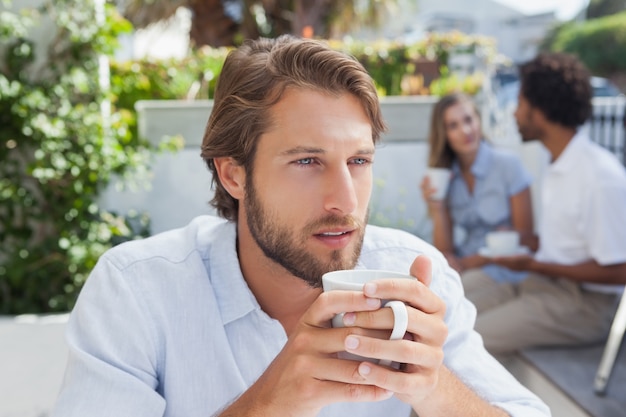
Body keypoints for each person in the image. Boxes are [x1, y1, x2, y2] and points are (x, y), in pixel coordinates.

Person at [51, 35, 548, 417]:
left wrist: (437, 389)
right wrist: (272, 400)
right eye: (308, 161)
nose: (345, 201)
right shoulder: (138, 291)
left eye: (358, 161)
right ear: (233, 173)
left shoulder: (412, 276)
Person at [475, 52, 626, 354]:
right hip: (542, 283)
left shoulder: (600, 176)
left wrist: (534, 264)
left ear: (539, 111)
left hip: (587, 305)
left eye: (519, 104)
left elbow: (619, 270)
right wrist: (529, 242)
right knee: (454, 301)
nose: (515, 114)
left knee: (470, 341)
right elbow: (573, 244)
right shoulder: (558, 163)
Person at [420, 93, 535, 310]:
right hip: (467, 267)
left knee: (445, 305)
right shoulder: (447, 176)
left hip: (503, 268)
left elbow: (526, 238)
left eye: (468, 120)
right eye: (453, 125)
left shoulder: (508, 165)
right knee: (429, 295)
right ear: (444, 134)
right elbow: (446, 250)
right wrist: (438, 207)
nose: (465, 130)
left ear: (479, 121)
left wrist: (467, 263)